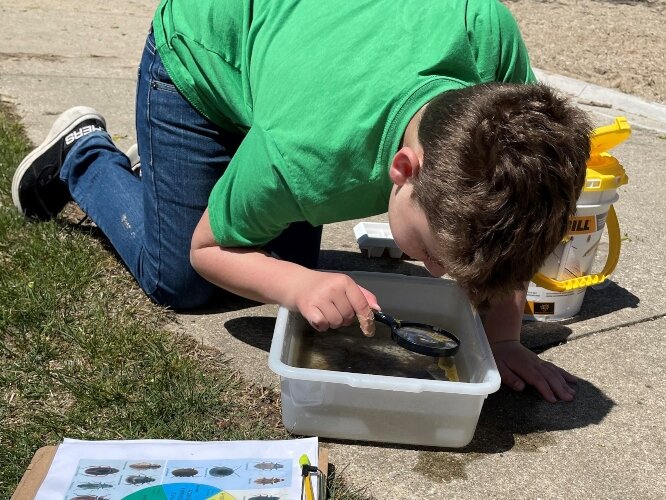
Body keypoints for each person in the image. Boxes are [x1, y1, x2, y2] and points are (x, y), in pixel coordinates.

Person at [12, 0, 591, 403]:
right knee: (182, 282)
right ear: (402, 171)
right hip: (202, 54)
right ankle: (84, 155)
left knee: (269, 243)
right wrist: (298, 286)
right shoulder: (311, 156)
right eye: (439, 257)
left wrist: (505, 335)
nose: (441, 275)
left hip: (298, 68)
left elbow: (518, 206)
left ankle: (173, 179)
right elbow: (209, 248)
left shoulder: (495, 59)